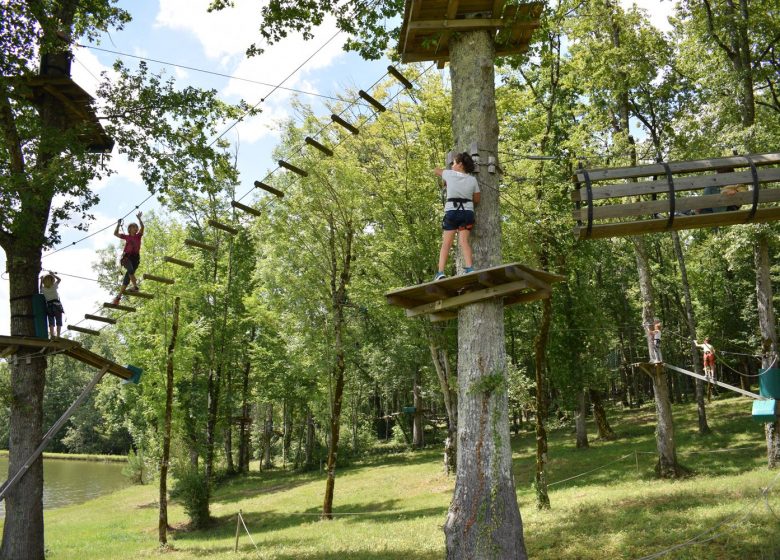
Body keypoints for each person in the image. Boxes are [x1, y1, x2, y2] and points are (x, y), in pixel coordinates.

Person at [433, 152, 481, 281]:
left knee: (446, 244)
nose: (452, 165)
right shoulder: (472, 179)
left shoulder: (449, 174)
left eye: (454, 163)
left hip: (452, 212)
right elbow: (477, 199)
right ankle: (470, 268)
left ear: (460, 164)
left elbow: (436, 170)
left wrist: (448, 175)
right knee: (464, 242)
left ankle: (440, 272)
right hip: (467, 213)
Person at [112, 212, 144, 305]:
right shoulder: (127, 237)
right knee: (130, 270)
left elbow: (142, 227)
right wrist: (118, 225)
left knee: (127, 278)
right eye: (133, 227)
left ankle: (118, 297)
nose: (136, 228)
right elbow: (115, 233)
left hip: (136, 259)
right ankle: (135, 287)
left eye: (136, 227)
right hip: (127, 258)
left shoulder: (138, 236)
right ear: (129, 229)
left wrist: (139, 219)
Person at [40, 271, 64, 338]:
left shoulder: (43, 289)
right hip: (57, 305)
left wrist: (41, 280)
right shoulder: (54, 286)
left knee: (51, 321)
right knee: (58, 320)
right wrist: (53, 275)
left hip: (49, 306)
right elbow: (59, 279)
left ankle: (52, 335)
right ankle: (58, 335)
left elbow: (40, 288)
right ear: (52, 281)